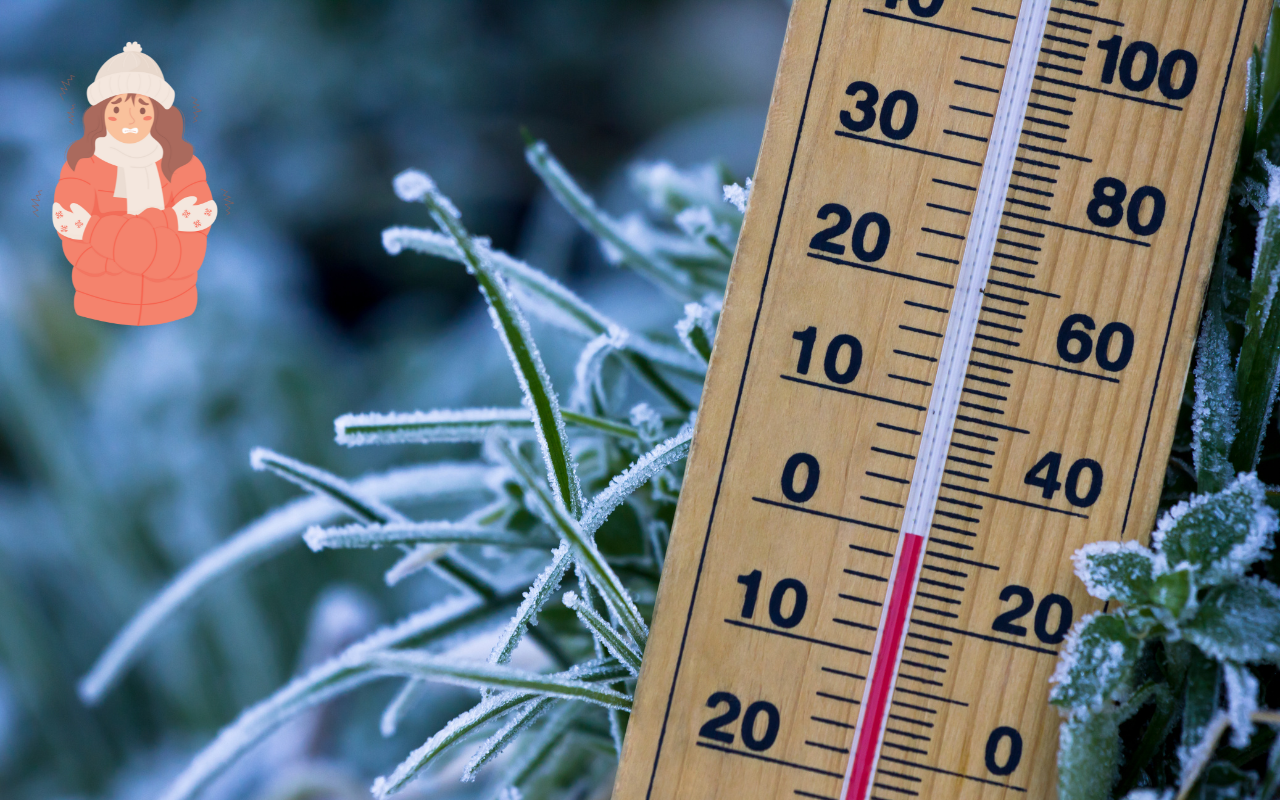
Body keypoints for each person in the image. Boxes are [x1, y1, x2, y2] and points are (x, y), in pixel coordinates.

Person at [52, 42, 216, 325]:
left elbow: (195, 239)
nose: (129, 120)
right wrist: (169, 222)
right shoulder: (82, 168)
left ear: (158, 114)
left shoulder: (184, 167)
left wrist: (94, 230)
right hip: (101, 304)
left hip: (173, 304)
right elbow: (70, 234)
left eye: (142, 109)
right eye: (117, 108)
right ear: (101, 113)